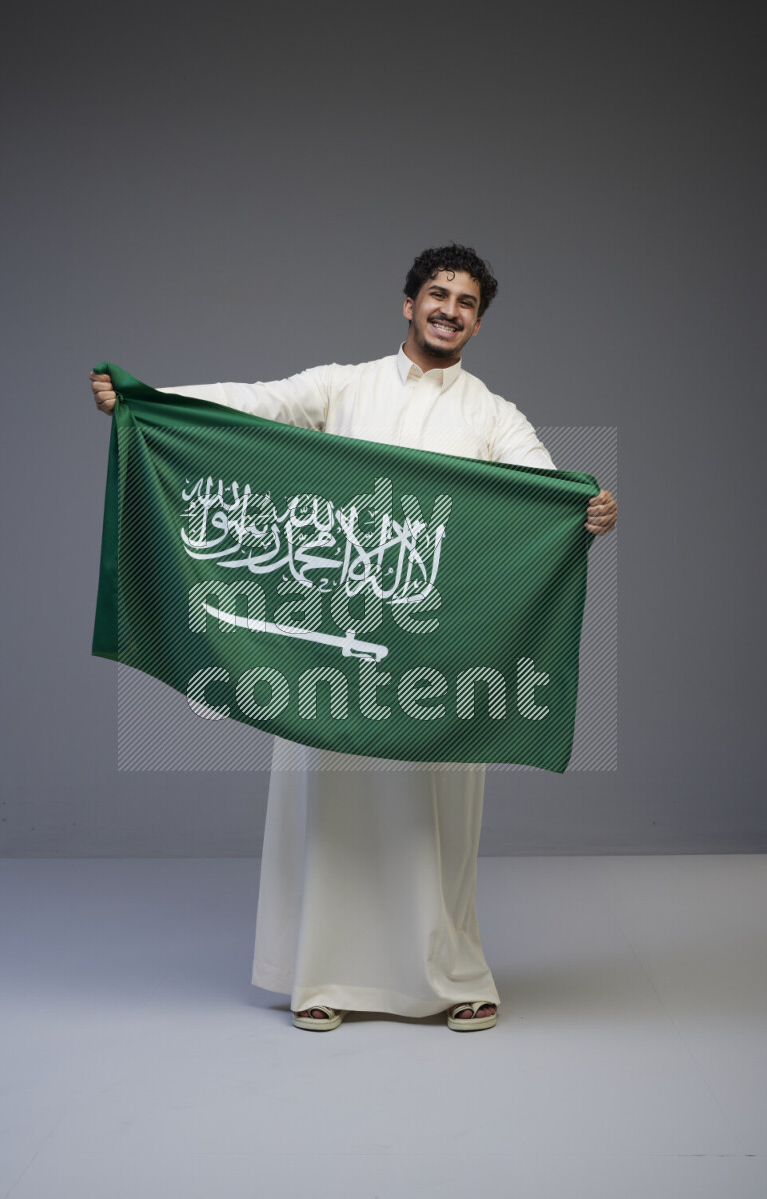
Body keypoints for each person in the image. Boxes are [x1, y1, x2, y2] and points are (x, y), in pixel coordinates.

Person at [91, 244, 617, 1032]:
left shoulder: (491, 413)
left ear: (478, 319)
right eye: (437, 294)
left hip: (435, 659)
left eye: (466, 301)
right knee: (332, 812)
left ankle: (452, 976)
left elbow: (536, 491)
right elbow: (252, 404)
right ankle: (324, 976)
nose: (450, 309)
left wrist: (584, 508)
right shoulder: (343, 386)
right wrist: (146, 400)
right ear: (408, 304)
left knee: (433, 820)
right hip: (328, 653)